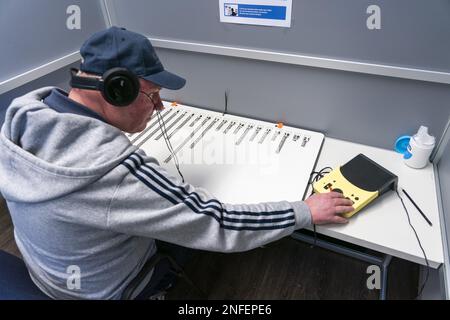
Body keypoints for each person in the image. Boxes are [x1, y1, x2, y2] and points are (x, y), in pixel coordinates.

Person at [0, 27, 353, 300]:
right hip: (112, 290)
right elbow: (220, 223)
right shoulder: (116, 174)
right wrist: (303, 211)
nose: (159, 108)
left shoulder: (23, 119)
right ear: (116, 91)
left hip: (50, 275)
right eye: (152, 95)